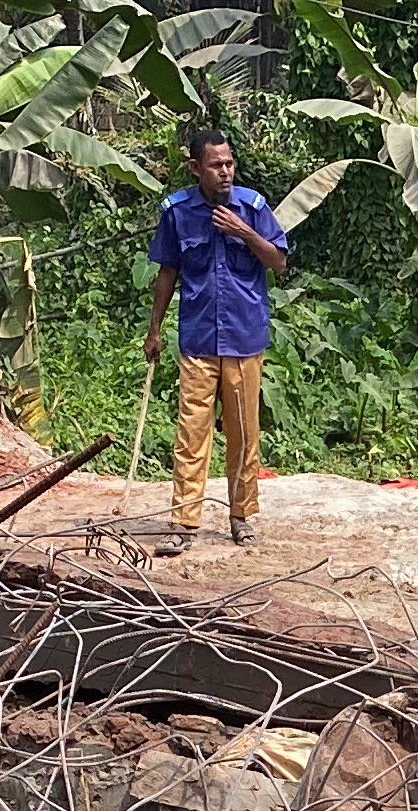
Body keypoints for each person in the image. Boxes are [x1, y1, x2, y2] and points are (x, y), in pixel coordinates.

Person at [141, 128, 286, 554]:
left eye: (229, 163)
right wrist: (154, 330)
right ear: (195, 168)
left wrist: (245, 232)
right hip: (198, 339)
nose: (225, 171)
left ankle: (241, 516)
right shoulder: (177, 212)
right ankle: (184, 522)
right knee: (191, 432)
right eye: (215, 165)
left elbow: (279, 261)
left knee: (243, 432)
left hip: (244, 338)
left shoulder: (253, 207)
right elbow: (167, 273)